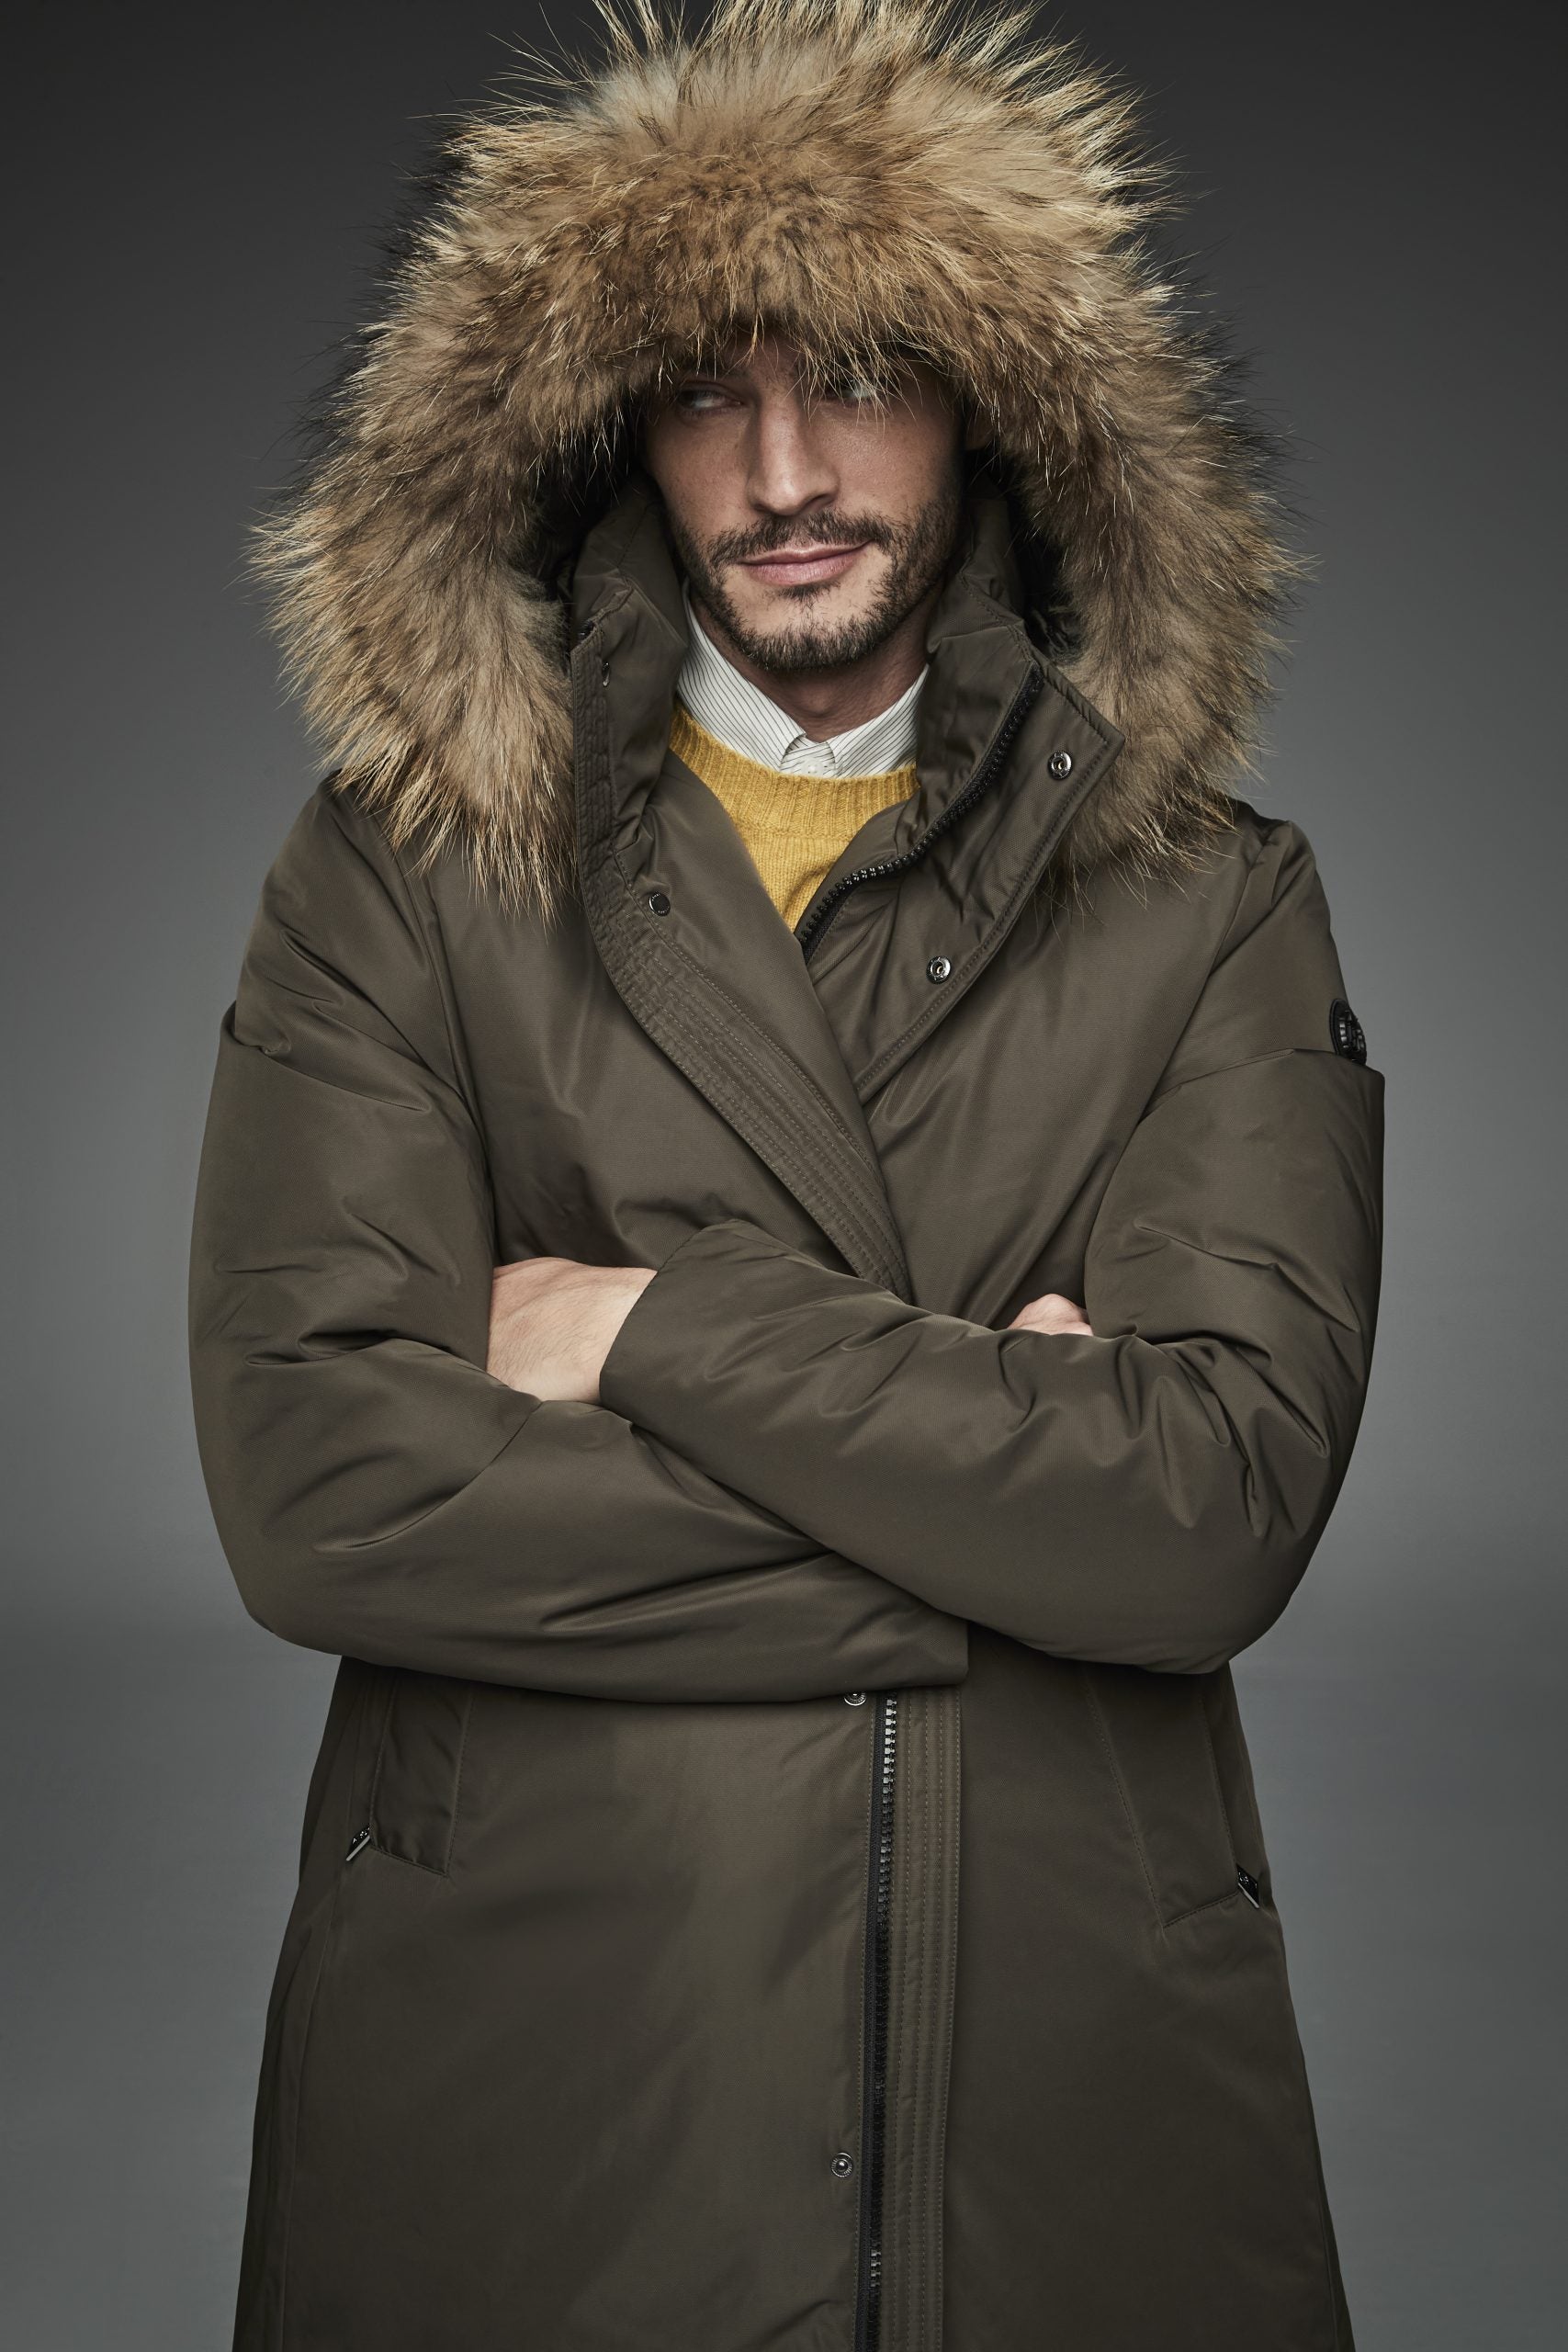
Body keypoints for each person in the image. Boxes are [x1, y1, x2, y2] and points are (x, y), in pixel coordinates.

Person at [187, 3, 1384, 2346]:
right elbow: (323, 1487)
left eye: (854, 374)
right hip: (538, 2085)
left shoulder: (1210, 901)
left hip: (1064, 2097)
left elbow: (1210, 1505)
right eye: (702, 392)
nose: (785, 469)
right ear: (600, 431)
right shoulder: (406, 875)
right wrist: (1002, 1503)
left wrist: (644, 1326)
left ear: (995, 405)